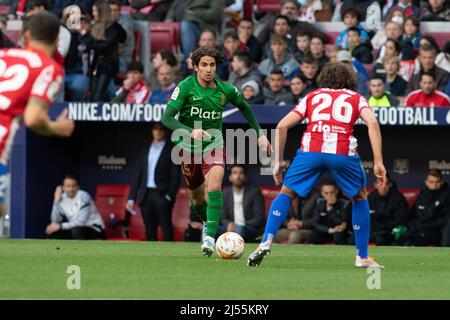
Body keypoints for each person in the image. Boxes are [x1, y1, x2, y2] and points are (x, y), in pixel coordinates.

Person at [247, 62, 386, 268]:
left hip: (311, 150)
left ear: (324, 78)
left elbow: (282, 125)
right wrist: (378, 161)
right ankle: (362, 256)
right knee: (359, 197)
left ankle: (267, 241)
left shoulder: (312, 96)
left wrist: (277, 161)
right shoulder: (357, 98)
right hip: (341, 151)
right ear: (349, 80)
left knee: (286, 193)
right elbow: (372, 124)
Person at [161, 46, 271, 256]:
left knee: (214, 185)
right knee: (197, 198)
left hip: (214, 144)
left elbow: (246, 108)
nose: (208, 69)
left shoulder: (226, 90)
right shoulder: (185, 87)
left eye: (212, 64)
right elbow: (166, 118)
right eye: (204, 65)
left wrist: (260, 134)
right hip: (187, 149)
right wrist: (190, 131)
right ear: (195, 67)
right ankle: (208, 223)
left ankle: (210, 238)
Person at [0, 12, 75, 168]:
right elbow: (33, 118)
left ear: (27, 35)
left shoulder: (3, 55)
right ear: (57, 40)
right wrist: (56, 128)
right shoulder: (48, 67)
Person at [126, 122, 181, 241]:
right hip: (146, 195)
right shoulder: (144, 152)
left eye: (161, 129)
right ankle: (152, 257)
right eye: (155, 129)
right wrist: (131, 198)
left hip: (162, 194)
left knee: (166, 228)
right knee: (149, 230)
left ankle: (172, 256)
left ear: (164, 132)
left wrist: (169, 196)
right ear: (152, 131)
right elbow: (137, 176)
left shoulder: (172, 151)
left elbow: (176, 177)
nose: (158, 132)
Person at [396, 169, 450, 246]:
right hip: (419, 229)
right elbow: (413, 214)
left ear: (442, 182)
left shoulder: (446, 196)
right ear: (426, 182)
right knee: (402, 239)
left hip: (435, 231)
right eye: (431, 182)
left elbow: (445, 219)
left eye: (437, 182)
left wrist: (422, 225)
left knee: (414, 241)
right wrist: (412, 225)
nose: (434, 185)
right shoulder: (422, 195)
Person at [46, 175, 105, 240]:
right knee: (52, 230)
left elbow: (81, 222)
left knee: (76, 230)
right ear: (63, 188)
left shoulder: (84, 196)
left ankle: (80, 250)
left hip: (94, 228)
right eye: (68, 186)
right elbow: (55, 221)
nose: (71, 189)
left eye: (73, 186)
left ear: (78, 187)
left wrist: (60, 226)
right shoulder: (62, 198)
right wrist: (56, 202)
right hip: (75, 228)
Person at [221, 164, 266, 243]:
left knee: (240, 229)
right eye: (235, 173)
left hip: (250, 229)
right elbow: (223, 217)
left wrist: (239, 225)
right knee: (208, 229)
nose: (238, 176)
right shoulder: (225, 193)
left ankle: (235, 252)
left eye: (241, 173)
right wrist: (229, 224)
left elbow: (259, 218)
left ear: (245, 177)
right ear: (230, 177)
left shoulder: (254, 192)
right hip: (230, 227)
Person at [368, 176, 409, 246]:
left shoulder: (398, 198)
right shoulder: (370, 197)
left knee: (381, 239)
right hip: (373, 231)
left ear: (390, 185)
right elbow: (366, 217)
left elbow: (400, 219)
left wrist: (384, 227)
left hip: (389, 232)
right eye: (380, 184)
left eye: (386, 184)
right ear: (375, 185)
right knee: (353, 239)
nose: (383, 187)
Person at [310, 180, 352, 245]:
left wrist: (332, 208)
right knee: (314, 235)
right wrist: (330, 230)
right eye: (326, 193)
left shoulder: (344, 203)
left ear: (336, 191)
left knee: (338, 237)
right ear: (322, 193)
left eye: (332, 192)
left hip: (339, 232)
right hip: (326, 231)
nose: (329, 195)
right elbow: (315, 223)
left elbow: (341, 222)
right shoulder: (319, 203)